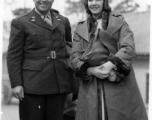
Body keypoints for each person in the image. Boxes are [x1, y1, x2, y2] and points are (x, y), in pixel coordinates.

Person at [70, 0, 148, 120]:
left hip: (117, 84)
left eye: (98, 0)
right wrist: (92, 70)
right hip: (91, 87)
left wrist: (111, 65)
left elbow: (128, 47)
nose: (94, 3)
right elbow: (74, 57)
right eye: (90, 0)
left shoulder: (119, 21)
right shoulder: (80, 28)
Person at [7, 0, 73, 120]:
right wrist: (16, 84)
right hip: (33, 85)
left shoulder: (63, 21)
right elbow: (14, 55)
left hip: (58, 83)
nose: (43, 0)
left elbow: (69, 48)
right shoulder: (21, 22)